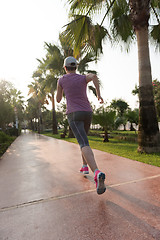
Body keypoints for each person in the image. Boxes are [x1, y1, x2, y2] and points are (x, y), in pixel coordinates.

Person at [56, 56, 106, 195]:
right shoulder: (83, 78)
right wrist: (98, 95)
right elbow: (94, 76)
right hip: (87, 112)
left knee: (83, 142)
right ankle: (84, 166)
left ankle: (96, 172)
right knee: (84, 140)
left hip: (74, 114)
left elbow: (58, 99)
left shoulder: (62, 80)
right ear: (76, 67)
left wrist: (61, 89)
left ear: (65, 68)